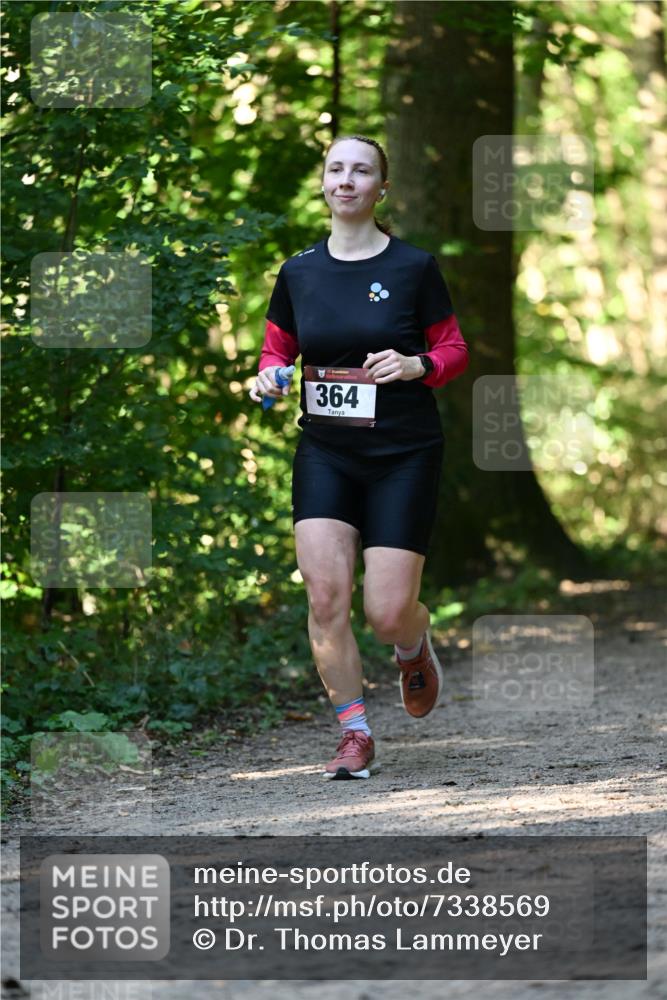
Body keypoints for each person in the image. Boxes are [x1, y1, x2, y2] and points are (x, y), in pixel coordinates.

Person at [248, 134, 469, 779]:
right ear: (324, 183)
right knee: (325, 597)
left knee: (386, 613)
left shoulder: (414, 268)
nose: (346, 179)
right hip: (326, 452)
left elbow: (453, 350)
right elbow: (275, 352)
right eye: (336, 169)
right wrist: (269, 377)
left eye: (362, 170)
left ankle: (412, 643)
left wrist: (417, 364)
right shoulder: (298, 272)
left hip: (404, 452)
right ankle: (355, 733)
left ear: (381, 188)